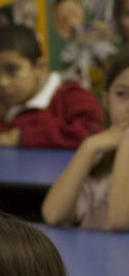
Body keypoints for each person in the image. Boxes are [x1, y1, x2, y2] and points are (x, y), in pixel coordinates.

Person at [42, 48, 129, 230]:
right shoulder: (99, 159)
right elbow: (53, 214)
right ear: (106, 100)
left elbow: (119, 221)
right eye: (122, 94)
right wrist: (89, 147)